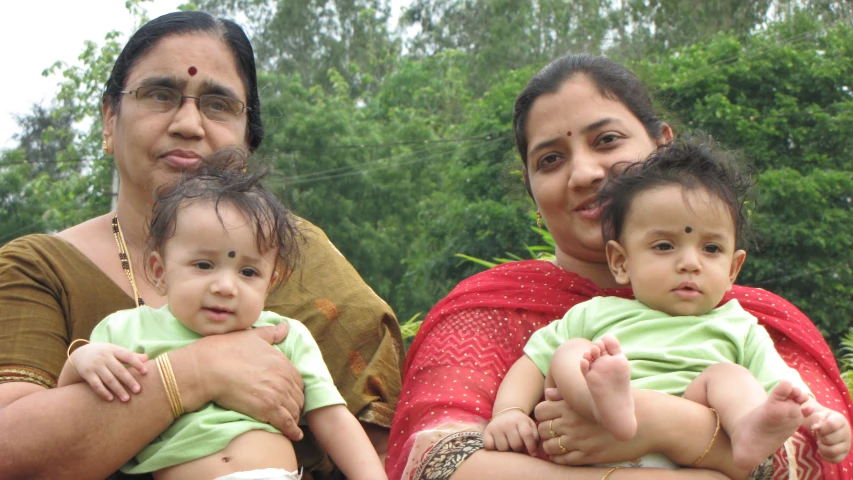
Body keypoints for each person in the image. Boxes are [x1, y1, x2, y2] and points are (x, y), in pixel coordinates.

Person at [387, 53, 853, 480]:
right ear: (531, 187)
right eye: (550, 159)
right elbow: (435, 463)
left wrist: (667, 425)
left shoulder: (755, 321)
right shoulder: (487, 312)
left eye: (607, 140)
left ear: (663, 146)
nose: (585, 172)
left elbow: (821, 455)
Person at [0, 11, 402, 480]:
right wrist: (196, 373)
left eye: (217, 104)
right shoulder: (39, 269)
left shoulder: (296, 253)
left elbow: (382, 439)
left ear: (247, 138)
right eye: (160, 94)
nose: (189, 123)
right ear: (110, 119)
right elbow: (11, 453)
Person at [483, 138, 851, 473]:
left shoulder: (740, 325)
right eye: (664, 246)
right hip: (590, 432)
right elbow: (532, 363)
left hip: (690, 454)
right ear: (621, 262)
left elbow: (784, 384)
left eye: (711, 249)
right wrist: (509, 412)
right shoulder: (597, 313)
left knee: (729, 377)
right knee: (572, 351)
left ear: (733, 269)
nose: (690, 263)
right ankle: (605, 404)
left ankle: (747, 430)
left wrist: (820, 418)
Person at [57, 159, 388, 480]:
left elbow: (332, 419)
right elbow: (70, 408)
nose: (226, 287)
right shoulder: (126, 329)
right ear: (160, 272)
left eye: (248, 272)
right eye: (203, 265)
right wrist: (81, 360)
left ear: (270, 283)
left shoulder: (285, 336)